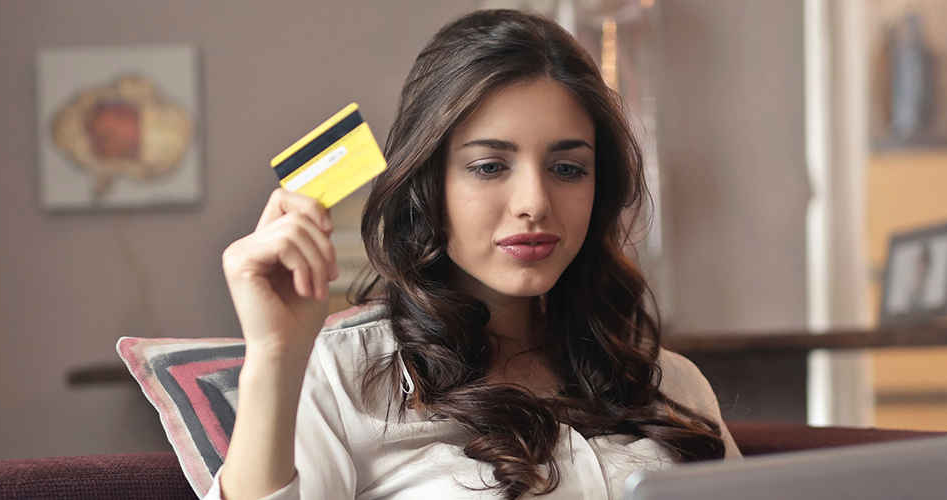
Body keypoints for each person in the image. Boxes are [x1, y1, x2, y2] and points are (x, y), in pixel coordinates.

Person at [214, 10, 739, 500]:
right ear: (428, 184)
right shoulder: (343, 376)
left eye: (567, 169)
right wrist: (275, 357)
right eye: (489, 167)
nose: (534, 203)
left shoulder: (670, 381)